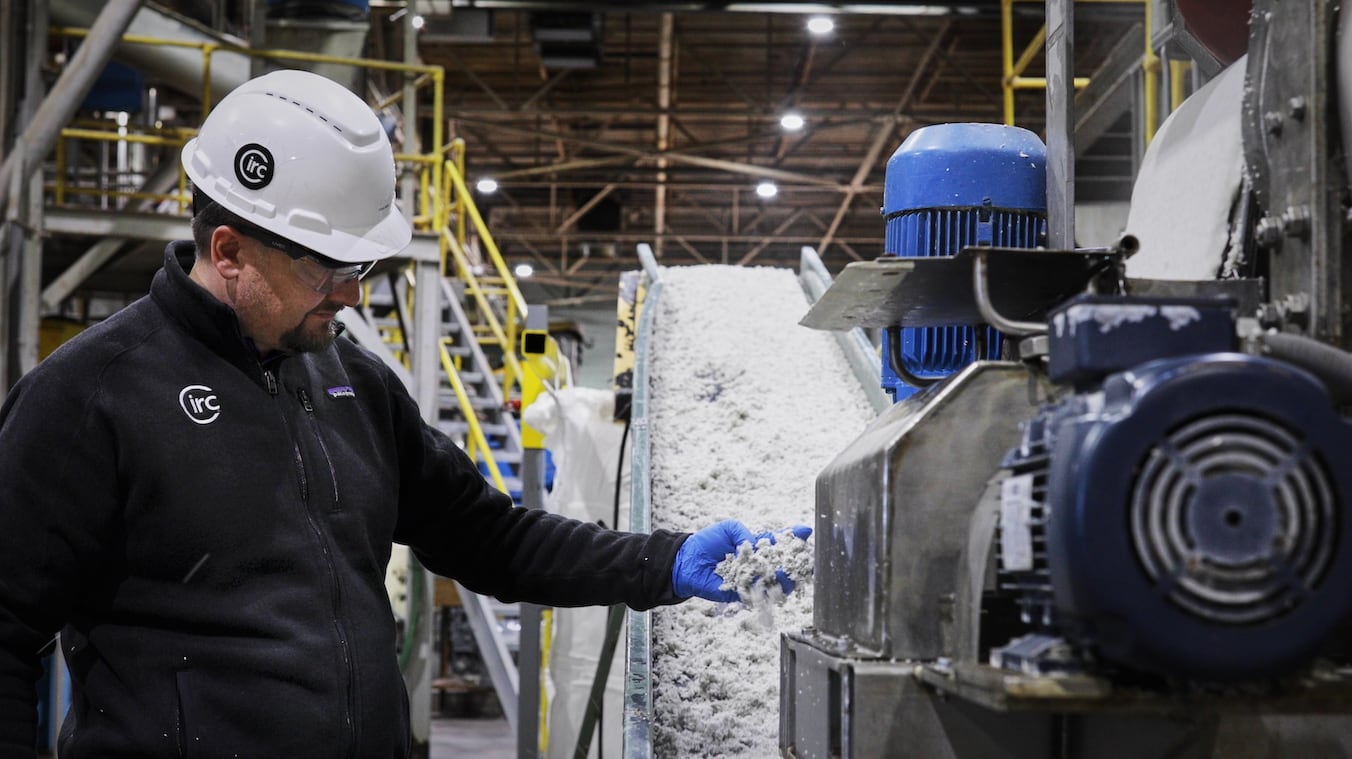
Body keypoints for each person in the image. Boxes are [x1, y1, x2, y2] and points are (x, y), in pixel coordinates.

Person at [0, 69, 804, 758]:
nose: (354, 293)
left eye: (364, 265)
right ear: (230, 253)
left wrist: (662, 563)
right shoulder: (89, 397)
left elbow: (491, 537)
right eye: (331, 267)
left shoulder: (353, 382)